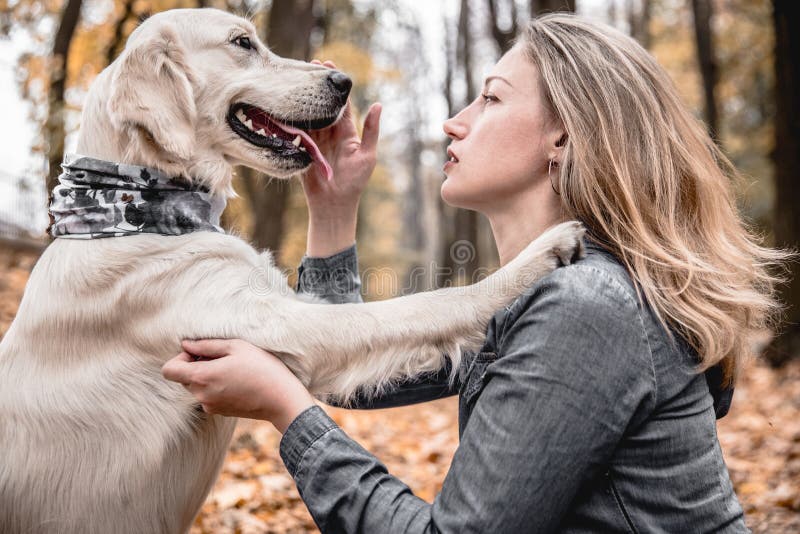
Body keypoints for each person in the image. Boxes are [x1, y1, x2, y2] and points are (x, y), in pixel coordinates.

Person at [162, 14, 785, 532]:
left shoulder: (589, 307)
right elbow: (349, 376)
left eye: (490, 98)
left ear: (563, 136)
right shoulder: (551, 293)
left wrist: (285, 409)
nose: (453, 122)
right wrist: (333, 208)